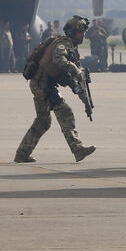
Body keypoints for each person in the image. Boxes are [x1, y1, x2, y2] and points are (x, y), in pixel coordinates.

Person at [14, 15, 96, 163]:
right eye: (79, 32)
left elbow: (73, 81)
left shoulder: (71, 48)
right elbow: (60, 61)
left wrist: (85, 102)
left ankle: (22, 153)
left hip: (44, 85)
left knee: (43, 121)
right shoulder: (62, 44)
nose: (82, 35)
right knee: (65, 113)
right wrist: (76, 69)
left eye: (83, 32)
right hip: (42, 85)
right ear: (71, 33)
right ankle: (77, 149)